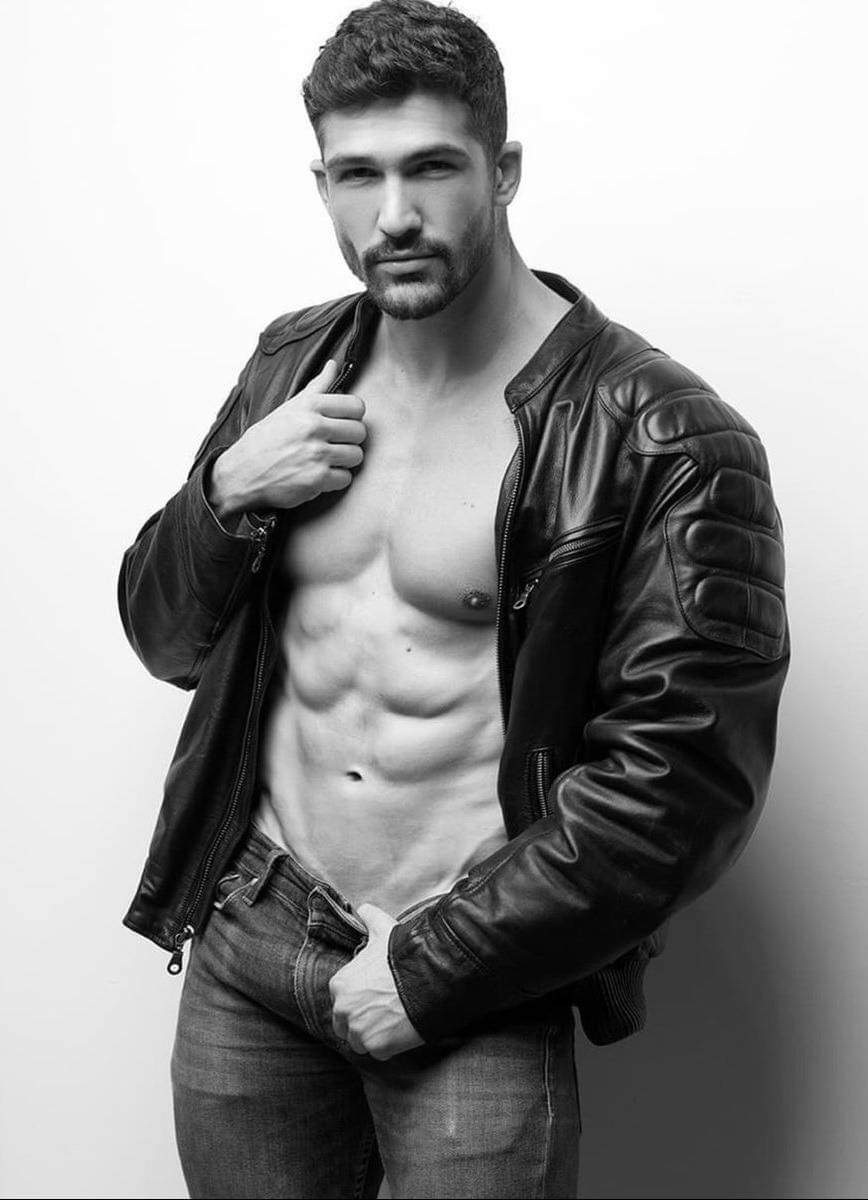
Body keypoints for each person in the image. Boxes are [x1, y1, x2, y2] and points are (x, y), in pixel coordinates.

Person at [117, 1, 790, 1196]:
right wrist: (225, 493)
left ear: (504, 170)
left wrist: (434, 966)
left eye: (431, 167)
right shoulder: (290, 369)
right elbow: (164, 637)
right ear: (321, 183)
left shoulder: (663, 435)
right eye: (356, 175)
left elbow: (684, 782)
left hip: (470, 969)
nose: (394, 215)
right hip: (249, 939)